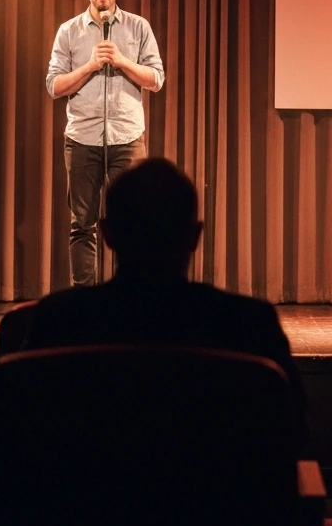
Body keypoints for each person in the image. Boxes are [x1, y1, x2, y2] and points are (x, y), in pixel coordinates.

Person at [24, 157, 308, 448]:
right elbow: (293, 439)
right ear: (195, 236)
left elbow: (21, 438)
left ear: (107, 234)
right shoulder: (250, 325)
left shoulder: (58, 321)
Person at [46, 0, 164, 287]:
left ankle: (134, 298)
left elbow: (156, 79)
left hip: (126, 139)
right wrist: (88, 67)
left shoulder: (138, 27)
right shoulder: (69, 31)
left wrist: (123, 61)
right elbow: (53, 86)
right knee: (82, 224)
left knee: (135, 223)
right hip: (82, 140)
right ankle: (85, 303)